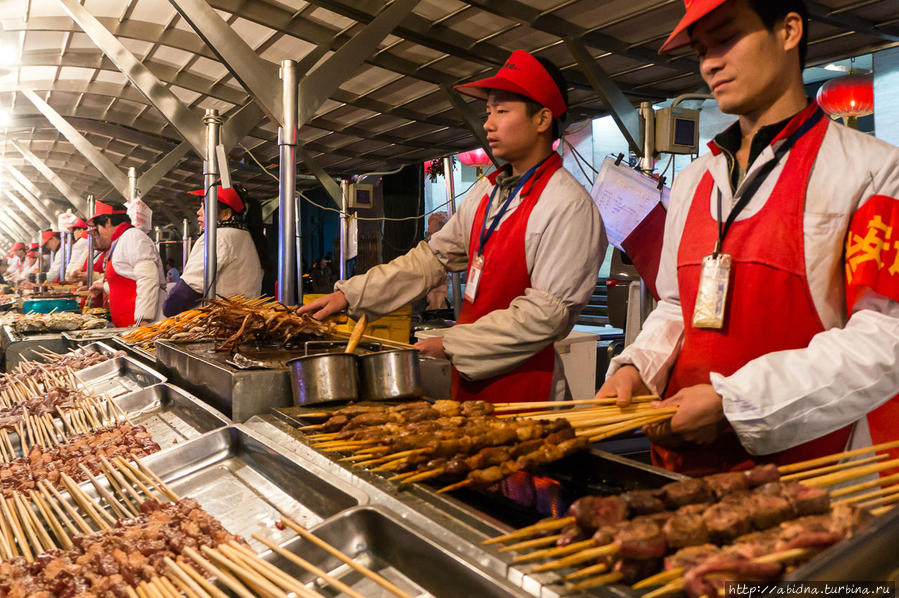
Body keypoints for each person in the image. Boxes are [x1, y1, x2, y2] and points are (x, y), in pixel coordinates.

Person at [597, 0, 899, 475]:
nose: (709, 63)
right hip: (684, 457)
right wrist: (640, 365)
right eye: (700, 50)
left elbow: (885, 338)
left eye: (725, 38)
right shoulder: (696, 178)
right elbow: (676, 305)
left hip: (809, 467)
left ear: (789, 30)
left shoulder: (872, 170)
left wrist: (737, 402)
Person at [300, 50, 606, 403]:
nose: (488, 123)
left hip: (527, 392)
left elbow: (546, 316)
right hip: (469, 384)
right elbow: (431, 259)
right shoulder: (487, 192)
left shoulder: (566, 204)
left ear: (542, 119)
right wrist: (350, 295)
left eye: (502, 111)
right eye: (488, 112)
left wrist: (452, 343)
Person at [163, 184, 267, 316]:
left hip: (218, 325)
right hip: (242, 321)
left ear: (226, 214)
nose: (198, 212)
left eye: (204, 207)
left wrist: (168, 307)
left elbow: (189, 289)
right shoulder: (246, 236)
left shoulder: (218, 237)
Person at [88, 202, 165, 327]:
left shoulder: (133, 237)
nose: (98, 234)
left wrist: (143, 319)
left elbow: (148, 278)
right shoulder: (120, 240)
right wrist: (104, 287)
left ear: (107, 221)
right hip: (126, 326)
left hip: (140, 327)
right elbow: (126, 280)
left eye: (97, 227)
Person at [64, 218, 90, 282]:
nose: (73, 234)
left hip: (79, 277)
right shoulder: (87, 241)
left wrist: (67, 276)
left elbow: (73, 262)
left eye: (74, 231)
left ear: (81, 230)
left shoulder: (81, 242)